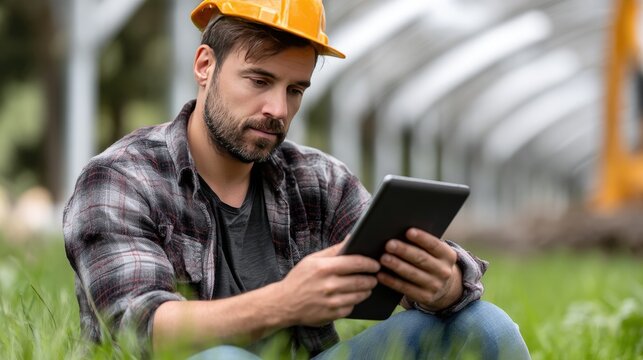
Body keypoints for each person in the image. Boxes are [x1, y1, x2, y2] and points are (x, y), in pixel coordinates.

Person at [64, 0, 530, 358]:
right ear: (205, 66)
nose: (278, 110)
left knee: (484, 327)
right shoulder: (122, 177)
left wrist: (445, 282)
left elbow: (443, 278)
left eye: (295, 89)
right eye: (258, 81)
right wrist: (285, 302)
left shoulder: (318, 180)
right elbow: (135, 327)